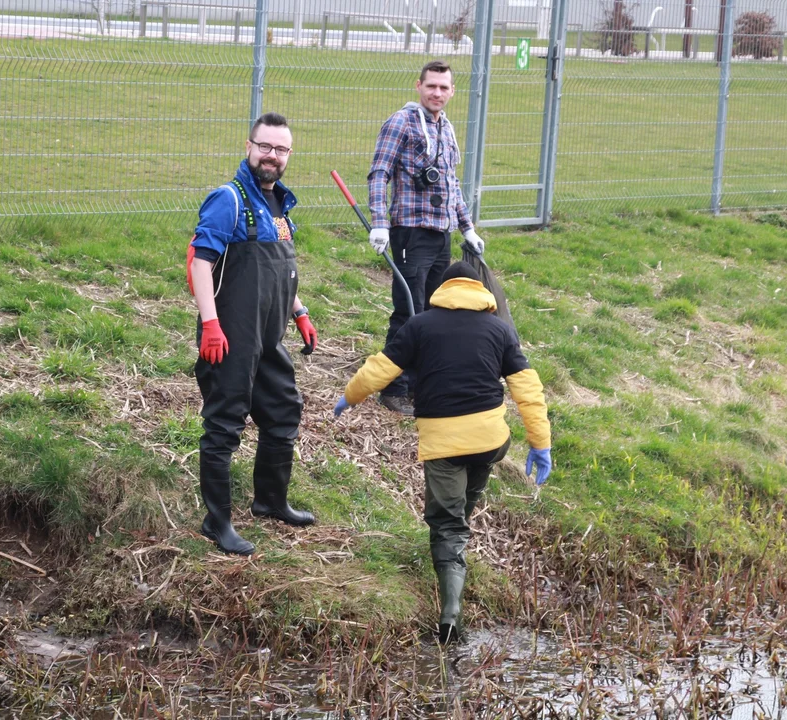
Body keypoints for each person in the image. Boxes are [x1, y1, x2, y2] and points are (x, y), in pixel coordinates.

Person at [333, 261, 552, 643]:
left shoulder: (420, 325)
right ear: (479, 291)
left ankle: (450, 612)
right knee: (465, 497)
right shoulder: (501, 329)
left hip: (444, 441)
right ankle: (456, 542)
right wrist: (540, 444)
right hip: (490, 441)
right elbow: (528, 392)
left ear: (443, 290)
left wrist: (350, 396)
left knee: (447, 524)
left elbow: (380, 369)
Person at [188, 112, 317, 556]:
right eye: (265, 146)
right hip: (229, 338)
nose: (272, 156)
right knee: (224, 424)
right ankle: (217, 521)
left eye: (281, 149)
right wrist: (210, 323)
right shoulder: (230, 199)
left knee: (283, 412)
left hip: (269, 338)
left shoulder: (280, 203)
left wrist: (299, 311)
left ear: (288, 155)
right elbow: (200, 263)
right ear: (249, 146)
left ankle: (270, 501)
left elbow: (282, 273)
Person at [367, 59, 485, 416]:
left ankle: (420, 385)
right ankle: (393, 388)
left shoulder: (446, 129)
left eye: (444, 87)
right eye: (431, 85)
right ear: (418, 86)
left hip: (441, 236)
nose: (437, 93)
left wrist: (467, 227)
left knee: (435, 312)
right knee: (410, 311)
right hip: (410, 233)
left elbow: (451, 184)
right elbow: (379, 173)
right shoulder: (401, 122)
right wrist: (379, 221)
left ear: (452, 91)